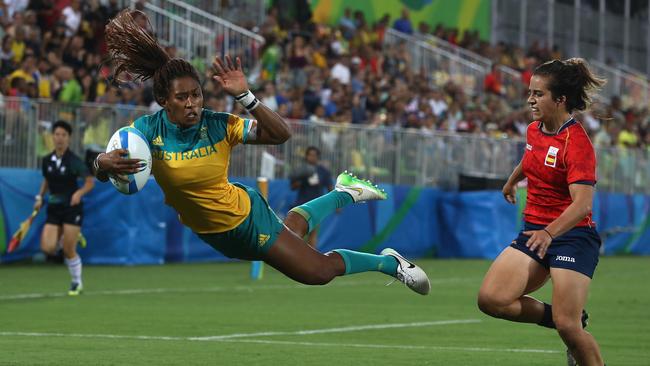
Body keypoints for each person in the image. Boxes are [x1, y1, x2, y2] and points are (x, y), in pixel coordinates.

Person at [94, 10, 430, 295]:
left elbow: (280, 134)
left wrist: (246, 97)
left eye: (196, 94)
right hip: (216, 234)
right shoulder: (146, 132)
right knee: (293, 234)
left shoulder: (220, 125)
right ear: (164, 100)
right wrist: (101, 163)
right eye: (182, 98)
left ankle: (389, 262)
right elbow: (115, 168)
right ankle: (344, 191)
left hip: (246, 220)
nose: (192, 103)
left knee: (318, 271)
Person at [477, 58, 606, 366]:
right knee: (491, 300)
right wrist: (512, 180)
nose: (530, 100)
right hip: (535, 231)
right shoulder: (535, 129)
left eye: (538, 94)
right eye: (530, 92)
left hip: (572, 237)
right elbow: (532, 156)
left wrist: (550, 233)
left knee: (569, 327)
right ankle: (555, 318)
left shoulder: (577, 144)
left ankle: (569, 326)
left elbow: (582, 204)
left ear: (560, 99)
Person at [34, 120, 94, 296]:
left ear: (69, 138)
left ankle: (77, 282)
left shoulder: (74, 161)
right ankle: (71, 235)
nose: (60, 138)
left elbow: (90, 182)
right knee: (47, 248)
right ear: (52, 137)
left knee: (69, 250)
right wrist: (39, 197)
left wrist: (79, 193)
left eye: (64, 135)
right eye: (57, 134)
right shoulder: (46, 160)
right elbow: (46, 180)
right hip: (54, 208)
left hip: (71, 208)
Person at [290, 146, 334, 248]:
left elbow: (330, 187)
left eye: (314, 155)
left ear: (318, 157)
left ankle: (309, 259)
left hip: (317, 206)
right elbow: (293, 186)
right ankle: (294, 258)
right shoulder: (301, 169)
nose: (312, 157)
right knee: (297, 233)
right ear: (306, 156)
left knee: (313, 234)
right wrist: (302, 180)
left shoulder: (323, 171)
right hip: (301, 205)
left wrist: (336, 205)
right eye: (310, 155)